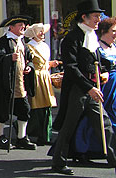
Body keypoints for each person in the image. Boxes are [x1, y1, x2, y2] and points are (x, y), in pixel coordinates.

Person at [51, 0, 116, 175]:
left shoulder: (92, 36)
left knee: (105, 123)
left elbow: (97, 62)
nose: (98, 19)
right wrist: (89, 88)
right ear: (84, 17)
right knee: (69, 126)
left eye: (98, 16)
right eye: (95, 16)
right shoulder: (71, 39)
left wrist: (104, 72)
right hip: (77, 89)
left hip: (92, 88)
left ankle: (113, 157)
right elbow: (71, 68)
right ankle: (58, 162)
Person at [0, 15, 37, 150]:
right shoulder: (4, 41)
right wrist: (9, 58)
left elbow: (29, 58)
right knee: (3, 111)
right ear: (11, 27)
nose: (23, 27)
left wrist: (29, 66)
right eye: (20, 25)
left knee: (24, 110)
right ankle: (0, 136)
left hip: (21, 84)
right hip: (6, 84)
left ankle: (21, 137)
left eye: (23, 25)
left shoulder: (23, 41)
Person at [24, 23, 59, 146]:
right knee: (37, 106)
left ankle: (46, 134)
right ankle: (36, 133)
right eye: (40, 32)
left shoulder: (44, 46)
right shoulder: (28, 47)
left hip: (45, 76)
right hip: (36, 78)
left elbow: (44, 63)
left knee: (47, 106)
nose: (42, 34)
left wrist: (50, 64)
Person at [99, 17, 116, 131]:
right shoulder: (98, 48)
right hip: (107, 84)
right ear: (104, 31)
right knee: (108, 109)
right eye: (113, 31)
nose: (115, 34)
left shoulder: (114, 47)